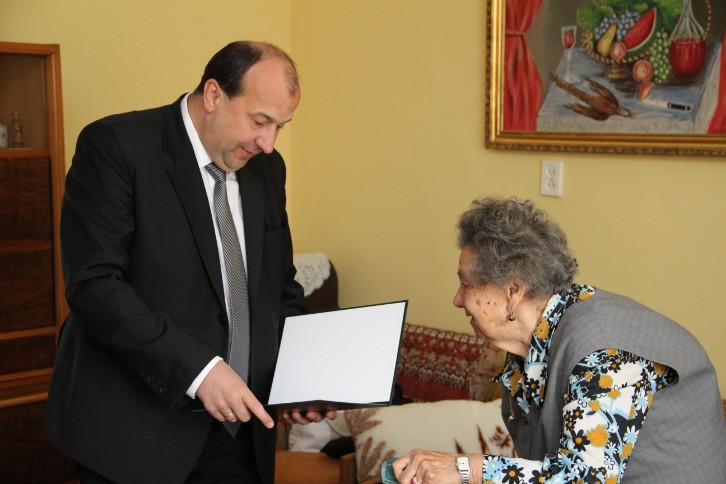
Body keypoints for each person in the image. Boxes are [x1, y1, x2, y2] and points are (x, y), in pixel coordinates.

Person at [44, 41, 334, 484]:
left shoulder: (267, 169)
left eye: (281, 126)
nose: (268, 143)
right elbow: (95, 286)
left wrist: (299, 376)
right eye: (260, 121)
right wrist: (200, 371)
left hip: (242, 433)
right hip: (135, 435)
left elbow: (278, 287)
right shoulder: (116, 147)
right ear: (214, 94)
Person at [393, 197, 725, 484]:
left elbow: (583, 478)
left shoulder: (604, 352)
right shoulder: (532, 345)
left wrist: (467, 469)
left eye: (466, 285)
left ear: (512, 291)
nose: (456, 300)